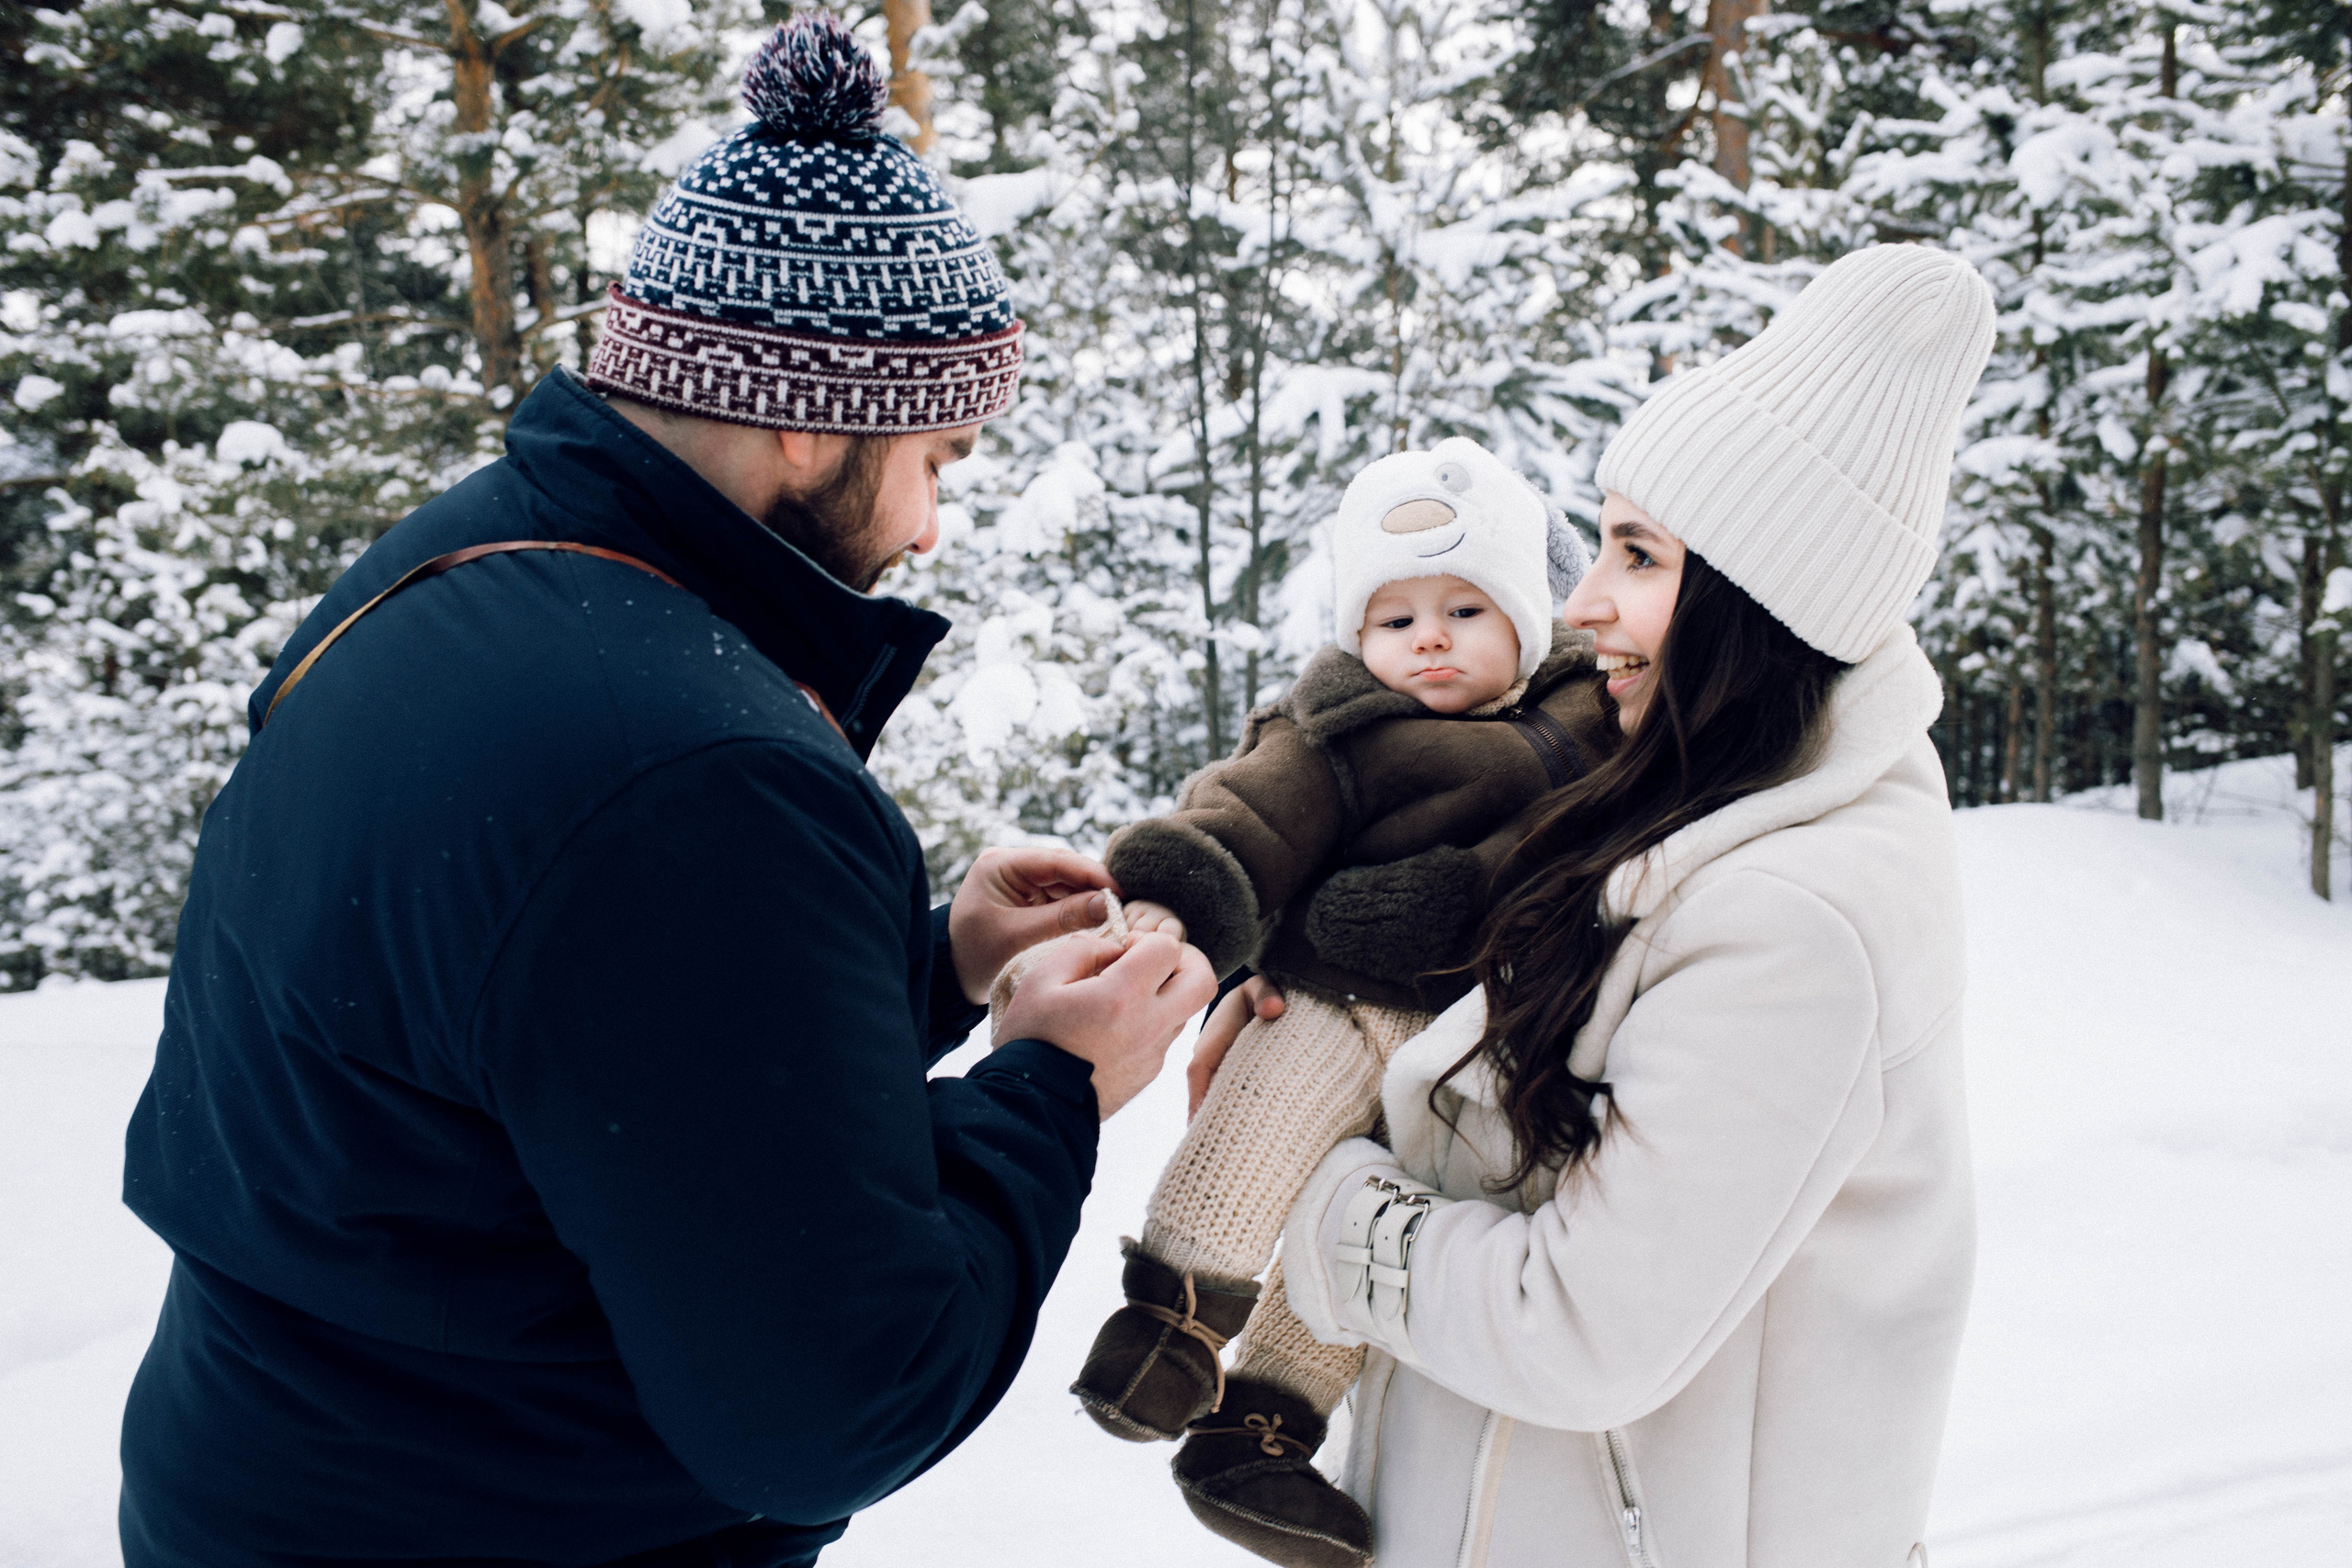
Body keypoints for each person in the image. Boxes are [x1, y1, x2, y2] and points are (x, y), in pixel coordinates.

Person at [116, 17, 1213, 1568]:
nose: (932, 526)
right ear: (806, 419)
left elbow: (572, 1039)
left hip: (264, 1479)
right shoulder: (700, 773)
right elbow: (836, 1395)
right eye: (938, 458)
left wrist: (931, 964)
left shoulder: (443, 575)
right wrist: (1048, 1086)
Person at [1191, 243, 1996, 1567]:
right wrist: (1312, 1026)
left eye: (1636, 553)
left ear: (1760, 595)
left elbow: (1577, 1323)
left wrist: (1296, 1175)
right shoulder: (1688, 798)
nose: (1581, 601)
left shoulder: (1798, 921)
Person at [1024, 437, 1618, 1566]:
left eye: (1463, 609)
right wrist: (1173, 901)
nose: (1427, 639)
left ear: (1532, 621)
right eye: (1394, 620)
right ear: (1357, 635)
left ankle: (1257, 1440)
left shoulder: (1592, 720)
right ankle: (1169, 1318)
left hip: (1464, 1045)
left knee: (1359, 1248)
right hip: (1332, 1001)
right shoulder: (1337, 729)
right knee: (1262, 1135)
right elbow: (1245, 819)